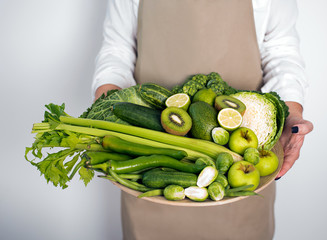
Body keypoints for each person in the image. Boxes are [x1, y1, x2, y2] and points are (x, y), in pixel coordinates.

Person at [92, 0, 314, 239]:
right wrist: (106, 110)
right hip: (151, 164)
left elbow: (281, 51)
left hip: (241, 173)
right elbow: (118, 49)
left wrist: (291, 114)